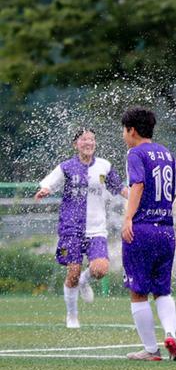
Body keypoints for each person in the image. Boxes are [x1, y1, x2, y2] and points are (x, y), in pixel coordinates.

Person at [36, 128, 125, 328]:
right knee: (73, 273)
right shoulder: (66, 167)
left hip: (97, 229)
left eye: (92, 139)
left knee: (100, 269)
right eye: (84, 139)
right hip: (71, 229)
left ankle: (85, 280)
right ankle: (72, 316)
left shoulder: (104, 166)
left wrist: (137, 196)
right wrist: (45, 190)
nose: (88, 143)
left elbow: (119, 188)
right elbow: (50, 183)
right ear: (75, 144)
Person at [121, 107, 176, 361]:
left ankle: (150, 349)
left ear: (132, 130)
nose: (123, 135)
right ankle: (170, 334)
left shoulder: (135, 153)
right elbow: (173, 193)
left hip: (142, 229)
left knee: (138, 292)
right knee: (162, 290)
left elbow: (138, 184)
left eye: (124, 130)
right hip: (166, 230)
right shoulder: (167, 153)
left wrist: (128, 218)